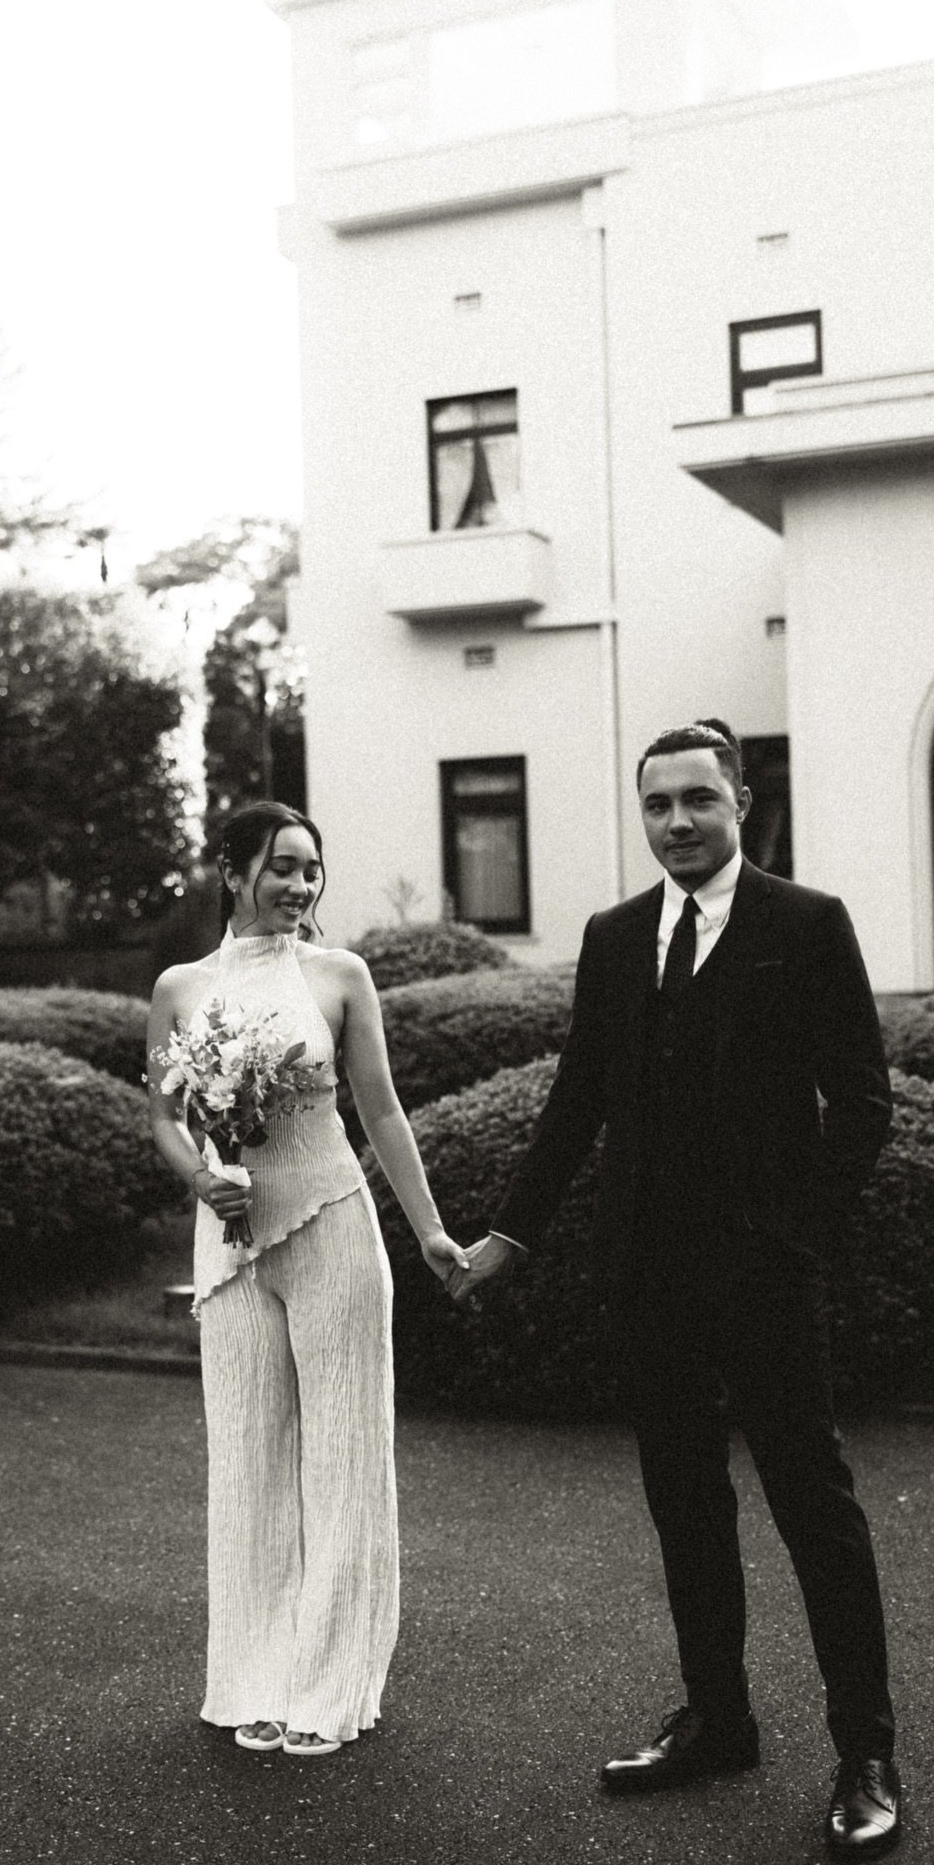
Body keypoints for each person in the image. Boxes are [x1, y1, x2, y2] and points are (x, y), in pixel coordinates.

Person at [449, 719, 901, 1856]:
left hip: (763, 1281)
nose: (678, 823)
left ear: (740, 800)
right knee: (685, 1508)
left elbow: (862, 1103)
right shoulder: (612, 938)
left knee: (816, 1512)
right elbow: (576, 1103)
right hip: (646, 1277)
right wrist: (508, 1235)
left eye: (700, 800)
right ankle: (719, 1721)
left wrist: (791, 1238)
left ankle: (868, 1750)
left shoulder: (806, 925)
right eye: (658, 806)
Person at [147, 801, 466, 1757]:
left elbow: (384, 1113)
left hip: (332, 1225)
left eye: (312, 870)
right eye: (282, 866)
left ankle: (330, 1687)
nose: (300, 886)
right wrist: (201, 1177)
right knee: (246, 1461)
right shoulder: (179, 986)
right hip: (230, 1242)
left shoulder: (340, 976)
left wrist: (433, 1232)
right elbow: (163, 1114)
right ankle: (255, 1678)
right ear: (233, 870)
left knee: (340, 1460)